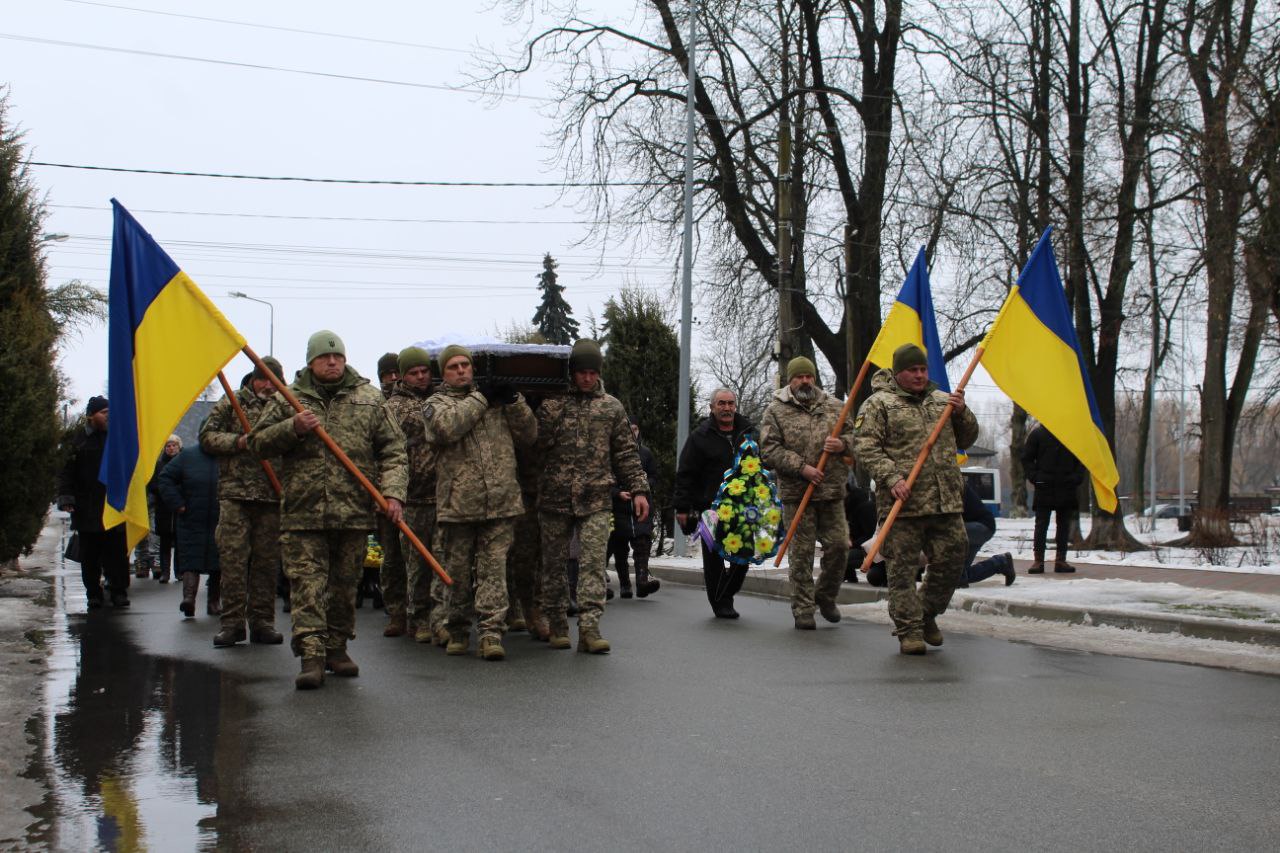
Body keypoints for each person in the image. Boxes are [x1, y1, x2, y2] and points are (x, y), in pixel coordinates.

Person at [249, 330, 408, 690]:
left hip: (352, 512)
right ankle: (311, 656)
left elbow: (394, 451)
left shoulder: (369, 399)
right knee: (307, 585)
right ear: (311, 362)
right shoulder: (288, 399)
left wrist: (393, 494)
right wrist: (293, 427)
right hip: (303, 514)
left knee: (344, 585)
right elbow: (257, 444)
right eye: (324, 357)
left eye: (337, 356)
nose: (333, 362)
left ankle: (337, 648)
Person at [853, 343, 979, 654]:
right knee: (902, 569)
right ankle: (909, 629)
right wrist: (891, 477)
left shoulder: (942, 402)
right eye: (913, 370)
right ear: (898, 373)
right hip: (903, 503)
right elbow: (866, 446)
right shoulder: (879, 404)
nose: (920, 375)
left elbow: (967, 438)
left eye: (923, 369)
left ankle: (926, 613)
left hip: (944, 500)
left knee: (954, 556)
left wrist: (962, 413)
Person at [423, 344, 536, 661]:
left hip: (500, 503)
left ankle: (490, 633)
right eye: (453, 367)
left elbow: (529, 435)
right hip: (460, 506)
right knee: (457, 572)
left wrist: (514, 401)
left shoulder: (496, 401)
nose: (461, 371)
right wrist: (482, 397)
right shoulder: (436, 404)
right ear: (443, 373)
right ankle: (457, 630)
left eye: (465, 365)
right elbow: (448, 429)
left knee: (493, 571)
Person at [536, 339, 650, 653]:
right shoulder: (553, 404)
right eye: (581, 372)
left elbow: (626, 452)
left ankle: (589, 627)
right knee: (554, 564)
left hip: (596, 497)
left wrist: (639, 489)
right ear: (572, 372)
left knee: (591, 564)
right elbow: (535, 446)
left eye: (592, 372)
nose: (587, 378)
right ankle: (558, 622)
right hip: (555, 498)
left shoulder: (611, 407)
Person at [761, 357, 856, 630]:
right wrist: (802, 468)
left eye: (809, 377)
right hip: (796, 493)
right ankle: (803, 608)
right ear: (790, 380)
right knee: (801, 554)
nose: (805, 381)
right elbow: (769, 450)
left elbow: (857, 441)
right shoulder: (775, 411)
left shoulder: (836, 407)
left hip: (831, 492)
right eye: (799, 377)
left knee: (839, 547)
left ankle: (825, 595)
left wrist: (842, 445)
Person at [200, 357, 286, 647]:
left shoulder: (285, 405)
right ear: (253, 379)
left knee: (266, 563)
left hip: (271, 497)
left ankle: (262, 623)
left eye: (273, 381)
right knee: (233, 562)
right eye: (262, 379)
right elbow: (207, 437)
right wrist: (237, 442)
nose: (267, 386)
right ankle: (232, 624)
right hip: (235, 494)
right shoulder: (232, 402)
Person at [673, 389, 756, 618]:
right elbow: (685, 473)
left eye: (730, 403)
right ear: (712, 407)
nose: (727, 408)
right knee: (714, 559)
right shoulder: (700, 437)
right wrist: (682, 507)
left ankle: (727, 591)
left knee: (743, 555)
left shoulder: (749, 433)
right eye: (721, 403)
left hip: (742, 507)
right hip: (710, 509)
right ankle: (720, 603)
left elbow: (762, 465)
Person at [382, 346, 440, 642]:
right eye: (413, 373)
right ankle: (415, 618)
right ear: (403, 376)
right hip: (411, 496)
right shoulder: (393, 406)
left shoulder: (441, 399)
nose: (420, 377)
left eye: (424, 372)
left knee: (442, 559)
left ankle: (440, 618)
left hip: (443, 495)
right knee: (414, 563)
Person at [866, 478, 1015, 588]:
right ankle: (1001, 562)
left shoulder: (943, 483)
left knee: (943, 540)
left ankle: (1000, 563)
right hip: (965, 527)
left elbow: (942, 525)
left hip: (979, 526)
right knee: (957, 579)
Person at [56, 396, 130, 609]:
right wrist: (66, 498)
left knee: (117, 553)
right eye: (104, 413)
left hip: (114, 506)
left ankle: (119, 591)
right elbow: (65, 472)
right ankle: (93, 594)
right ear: (91, 415)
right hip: (86, 508)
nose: (108, 417)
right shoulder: (77, 441)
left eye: (110, 413)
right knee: (90, 556)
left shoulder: (117, 439)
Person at [156, 442, 222, 618]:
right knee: (191, 558)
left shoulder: (226, 455)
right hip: (191, 518)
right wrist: (177, 504)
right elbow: (165, 478)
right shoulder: (187, 456)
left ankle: (214, 601)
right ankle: (189, 599)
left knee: (218, 561)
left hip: (220, 518)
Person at [1021, 422, 1086, 573]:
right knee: (1041, 524)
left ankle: (1061, 560)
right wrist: (1035, 477)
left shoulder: (1072, 435)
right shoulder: (1038, 434)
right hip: (1044, 486)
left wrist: (1076, 477)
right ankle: (1038, 561)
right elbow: (1026, 458)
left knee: (1064, 525)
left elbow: (1082, 459)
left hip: (1066, 486)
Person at [608, 419, 661, 599]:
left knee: (642, 543)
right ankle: (624, 585)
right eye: (629, 429)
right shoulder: (611, 453)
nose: (632, 433)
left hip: (642, 505)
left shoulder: (645, 453)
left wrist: (645, 487)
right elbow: (604, 479)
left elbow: (654, 476)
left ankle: (642, 581)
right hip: (618, 506)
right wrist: (616, 492)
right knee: (619, 546)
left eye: (635, 429)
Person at [147, 435, 182, 583]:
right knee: (164, 542)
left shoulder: (185, 463)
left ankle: (179, 572)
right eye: (168, 446)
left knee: (180, 542)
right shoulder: (159, 464)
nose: (171, 448)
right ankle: (165, 572)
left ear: (179, 447)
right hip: (164, 508)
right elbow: (154, 485)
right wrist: (166, 492)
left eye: (174, 445)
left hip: (181, 508)